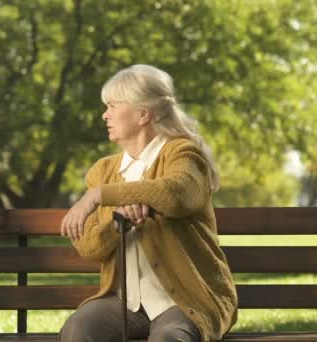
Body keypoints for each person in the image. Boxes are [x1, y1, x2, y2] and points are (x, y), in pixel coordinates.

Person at [59, 64, 237, 342]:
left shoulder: (183, 153)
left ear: (143, 114)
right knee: (78, 329)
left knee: (169, 338)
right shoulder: (102, 170)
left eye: (112, 106)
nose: (105, 115)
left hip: (185, 302)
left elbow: (176, 194)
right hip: (124, 304)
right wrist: (121, 222)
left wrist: (99, 196)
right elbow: (89, 247)